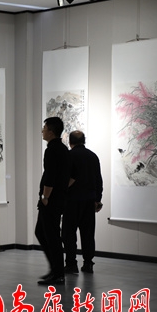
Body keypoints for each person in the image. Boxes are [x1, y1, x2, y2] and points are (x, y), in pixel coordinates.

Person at [62, 130, 103, 274]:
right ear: (84, 141)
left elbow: (65, 179)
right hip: (89, 200)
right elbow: (98, 180)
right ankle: (88, 263)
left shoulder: (68, 156)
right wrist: (98, 199)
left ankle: (71, 263)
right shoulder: (93, 156)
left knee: (69, 233)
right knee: (88, 234)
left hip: (71, 200)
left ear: (70, 142)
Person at [36, 117, 71, 285]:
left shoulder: (52, 150)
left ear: (51, 131)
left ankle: (58, 272)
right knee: (42, 232)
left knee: (51, 235)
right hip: (58, 198)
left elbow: (50, 176)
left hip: (51, 200)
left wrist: (45, 197)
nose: (42, 131)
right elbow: (70, 176)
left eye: (44, 128)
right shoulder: (63, 149)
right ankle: (55, 269)